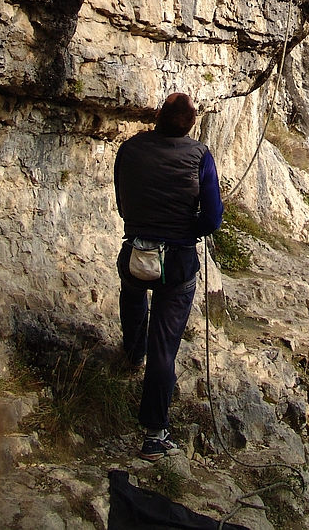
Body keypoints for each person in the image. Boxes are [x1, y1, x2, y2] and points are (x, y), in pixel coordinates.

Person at [114, 92, 223, 460]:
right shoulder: (200, 157)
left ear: (158, 115)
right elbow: (211, 219)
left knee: (132, 293)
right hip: (176, 261)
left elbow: (122, 200)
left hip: (135, 250)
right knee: (165, 346)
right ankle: (154, 434)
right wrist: (184, 227)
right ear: (192, 124)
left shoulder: (129, 149)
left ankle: (132, 352)